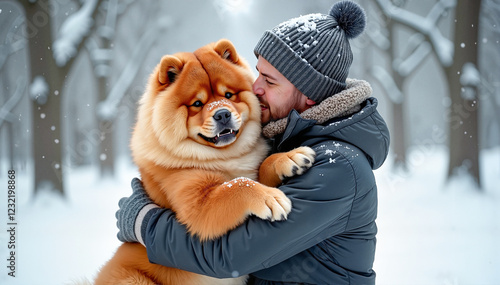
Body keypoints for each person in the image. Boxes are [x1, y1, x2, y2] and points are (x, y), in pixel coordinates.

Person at [116, 1, 390, 284]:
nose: (254, 86)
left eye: (269, 82)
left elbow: (229, 256)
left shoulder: (338, 168)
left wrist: (145, 223)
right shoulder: (284, 138)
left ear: (309, 94)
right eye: (257, 73)